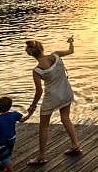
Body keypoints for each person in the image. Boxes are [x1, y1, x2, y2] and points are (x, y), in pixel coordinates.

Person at [25, 37, 80, 165]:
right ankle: (75, 144)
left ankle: (41, 156)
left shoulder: (37, 70)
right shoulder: (56, 55)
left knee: (43, 126)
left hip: (51, 97)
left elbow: (39, 92)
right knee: (65, 118)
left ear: (31, 54)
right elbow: (71, 51)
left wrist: (33, 105)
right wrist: (71, 42)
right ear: (42, 48)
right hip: (66, 92)